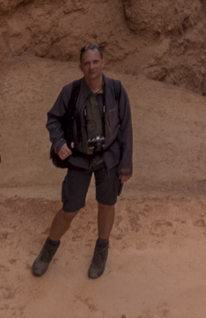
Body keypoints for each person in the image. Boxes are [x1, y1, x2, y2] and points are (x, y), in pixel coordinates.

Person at [32, 40, 134, 280]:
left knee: (107, 204)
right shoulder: (71, 92)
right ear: (80, 67)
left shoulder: (116, 90)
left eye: (96, 62)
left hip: (108, 158)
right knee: (70, 208)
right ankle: (48, 249)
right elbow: (53, 119)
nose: (92, 67)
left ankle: (101, 250)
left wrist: (126, 165)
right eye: (87, 63)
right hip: (79, 159)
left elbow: (126, 128)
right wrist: (59, 143)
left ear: (103, 63)